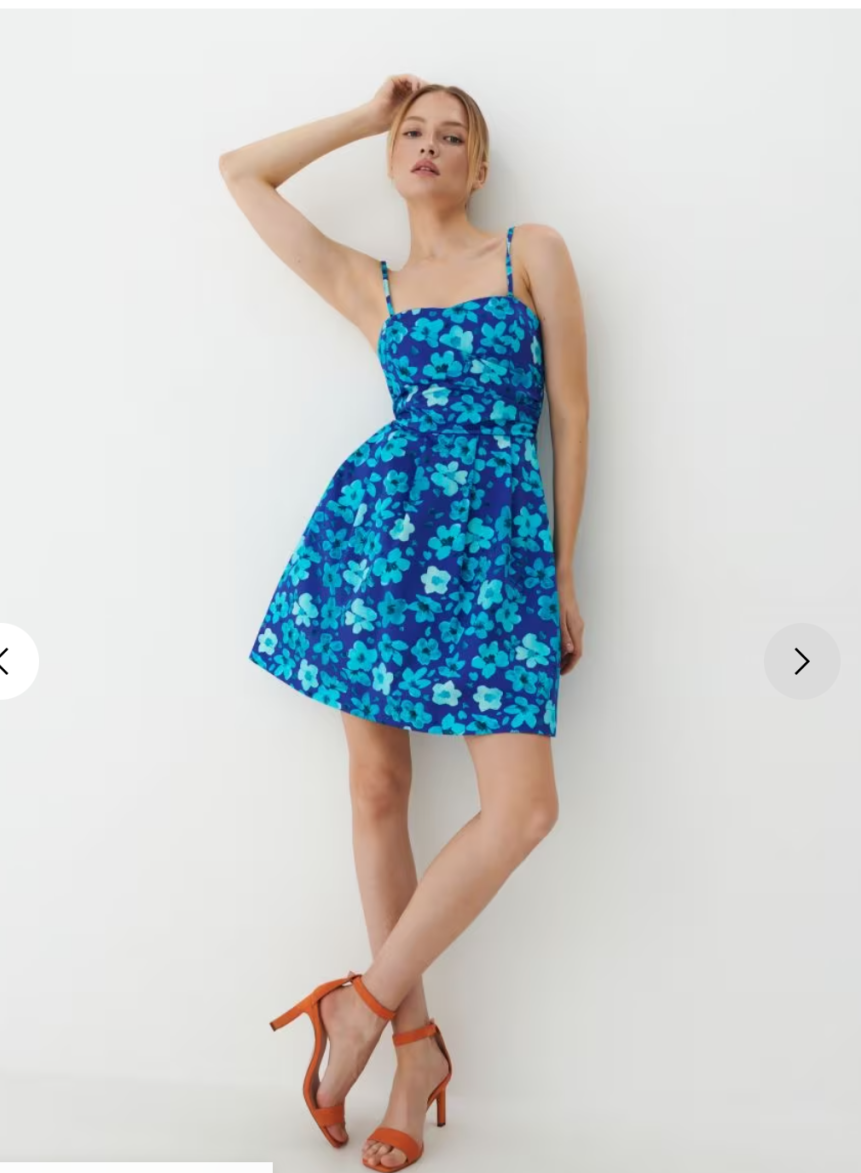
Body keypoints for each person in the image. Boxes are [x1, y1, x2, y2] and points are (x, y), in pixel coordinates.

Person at [219, 75, 588, 1171]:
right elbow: (241, 173)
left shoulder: (529, 252)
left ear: (479, 165)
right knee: (378, 788)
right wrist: (361, 115)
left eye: (450, 136)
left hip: (498, 561)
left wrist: (563, 574)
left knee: (522, 810)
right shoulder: (369, 283)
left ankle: (361, 1005)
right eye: (413, 133)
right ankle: (413, 1052)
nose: (428, 146)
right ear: (392, 156)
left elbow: (569, 416)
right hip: (376, 546)